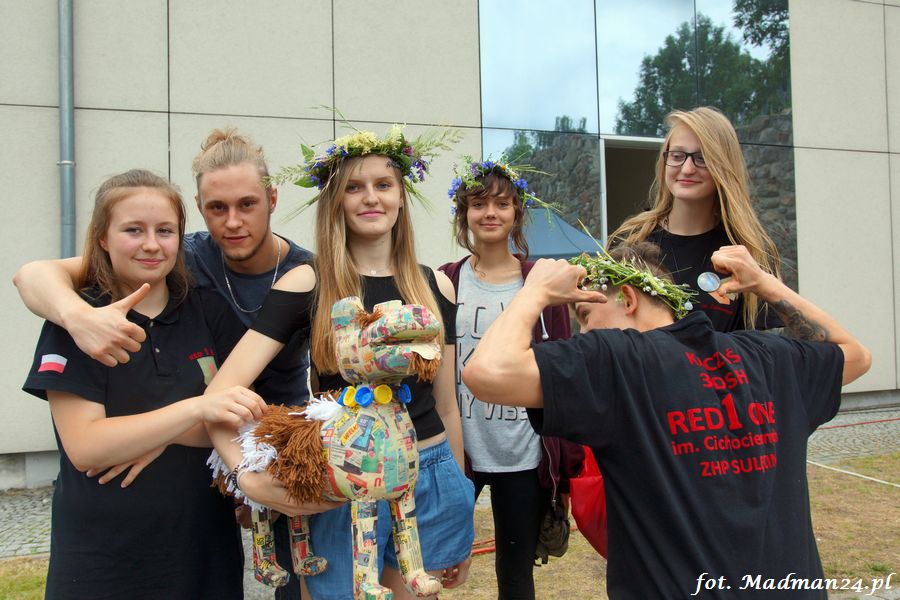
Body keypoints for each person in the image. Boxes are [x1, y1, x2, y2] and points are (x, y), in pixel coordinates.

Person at [462, 242, 872, 599]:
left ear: (628, 299)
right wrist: (765, 284)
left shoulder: (616, 361)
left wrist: (533, 292)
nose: (582, 336)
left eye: (585, 317)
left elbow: (486, 373)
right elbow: (854, 355)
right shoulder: (765, 356)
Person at [13, 129, 315, 599]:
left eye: (164, 231)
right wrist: (194, 410)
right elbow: (87, 447)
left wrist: (160, 432)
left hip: (204, 547)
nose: (151, 244)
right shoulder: (85, 317)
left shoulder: (206, 307)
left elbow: (237, 413)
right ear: (102, 237)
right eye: (133, 230)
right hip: (103, 558)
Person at [205, 124, 475, 600]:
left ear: (401, 196)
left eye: (383, 184)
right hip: (346, 480)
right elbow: (218, 397)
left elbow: (448, 406)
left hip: (428, 475)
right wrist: (248, 479)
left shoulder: (437, 286)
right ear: (335, 200)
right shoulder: (307, 282)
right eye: (354, 186)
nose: (370, 197)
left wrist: (459, 503)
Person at [439, 156, 583, 598]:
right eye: (479, 204)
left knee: (516, 576)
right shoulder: (445, 281)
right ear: (463, 213)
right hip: (459, 447)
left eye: (502, 204)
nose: (490, 213)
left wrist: (566, 467)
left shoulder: (541, 282)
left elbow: (563, 372)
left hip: (522, 453)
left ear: (517, 213)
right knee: (433, 562)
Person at [609, 106, 783, 332]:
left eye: (701, 158)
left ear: (724, 165)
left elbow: (765, 345)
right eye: (677, 156)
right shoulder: (629, 240)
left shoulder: (750, 252)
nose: (687, 168)